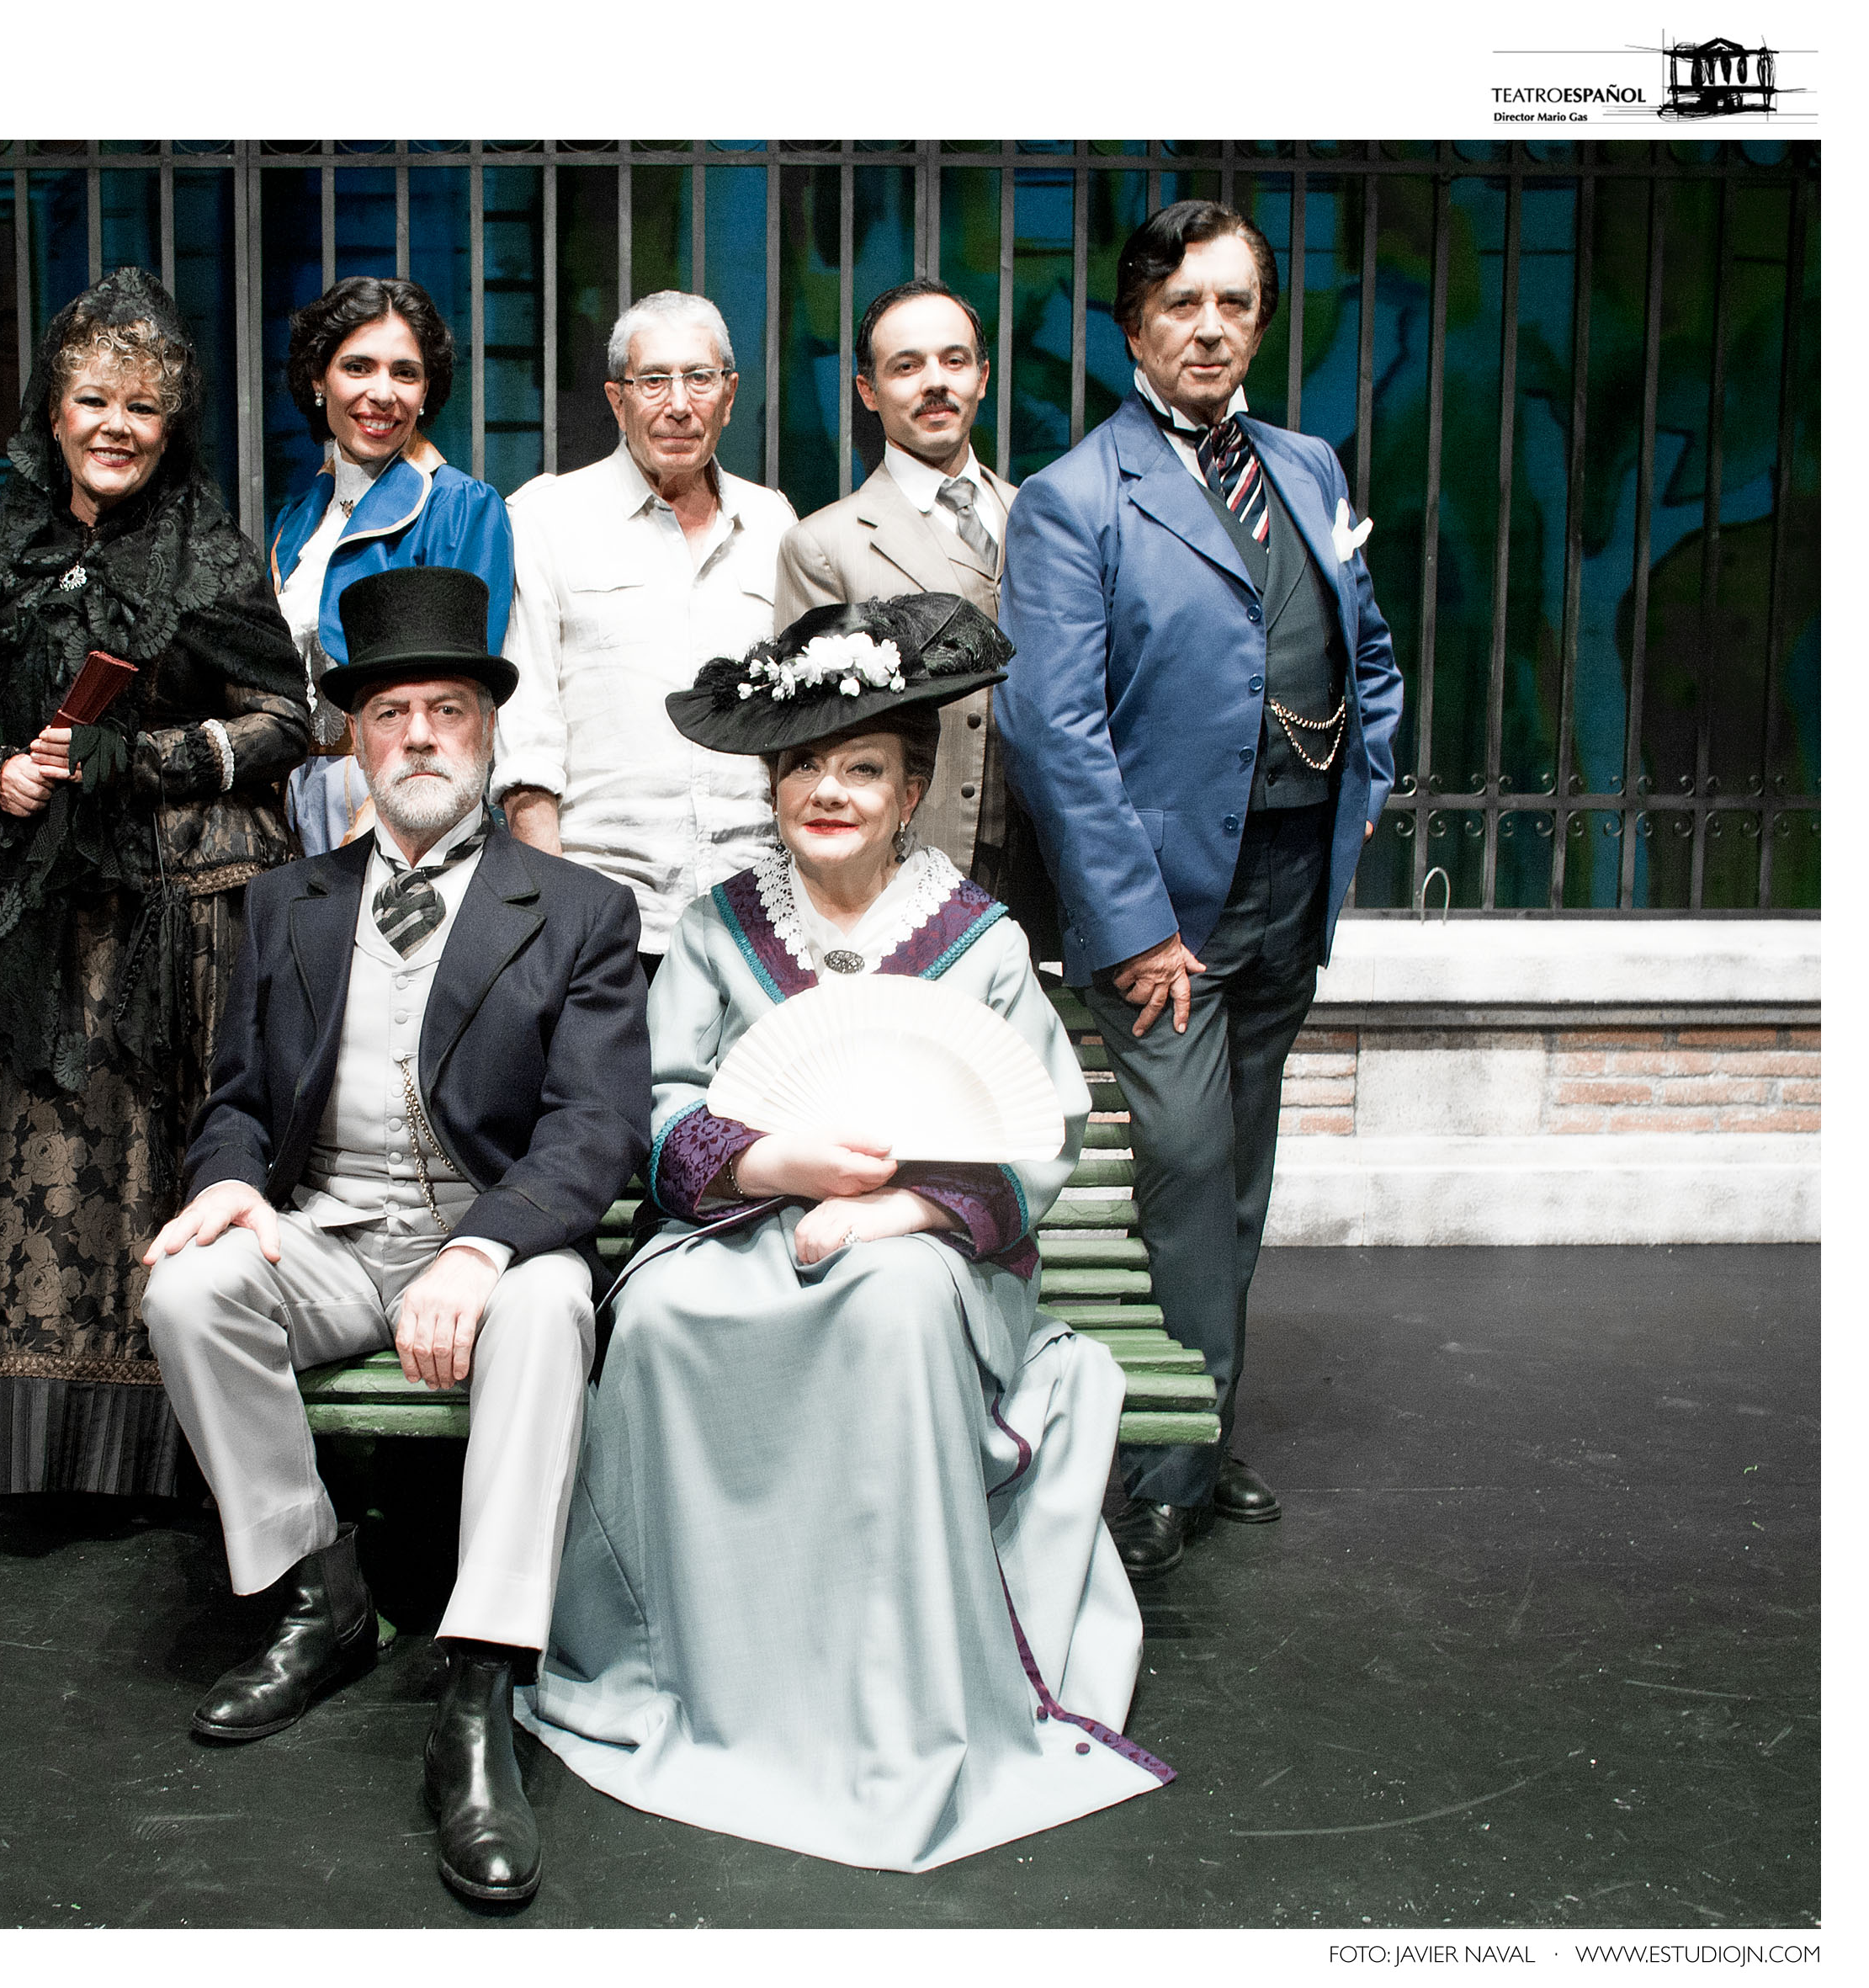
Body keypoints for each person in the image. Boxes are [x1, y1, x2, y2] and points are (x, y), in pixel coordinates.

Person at [520, 595, 1170, 1873]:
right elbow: (660, 1101)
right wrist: (776, 1161)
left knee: (891, 1308)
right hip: (748, 1218)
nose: (828, 790)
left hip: (926, 1243)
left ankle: (882, 1685)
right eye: (803, 764)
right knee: (658, 1316)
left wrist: (894, 1207)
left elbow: (1038, 1134)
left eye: (861, 767)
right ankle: (707, 1660)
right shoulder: (716, 927)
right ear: (772, 784)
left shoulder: (980, 942)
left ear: (909, 789)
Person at [140, 566, 650, 1907]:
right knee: (186, 1288)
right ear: (355, 740)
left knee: (549, 1305)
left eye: (446, 709)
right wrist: (226, 1181)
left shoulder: (579, 910)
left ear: (487, 729)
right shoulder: (288, 902)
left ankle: (480, 1686)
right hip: (334, 1234)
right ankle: (321, 1595)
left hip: (492, 1243)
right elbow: (238, 1100)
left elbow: (597, 1128)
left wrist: (483, 1247)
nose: (419, 735)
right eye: (389, 714)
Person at [994, 199, 1404, 1579]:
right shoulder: (1074, 498)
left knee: (1241, 1166)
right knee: (1181, 1164)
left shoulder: (1305, 463)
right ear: (1134, 326)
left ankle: (1203, 1430)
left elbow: (1368, 648)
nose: (1210, 328)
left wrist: (1366, 786)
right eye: (1182, 304)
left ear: (1259, 321)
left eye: (1234, 302)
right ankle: (1162, 1461)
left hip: (1289, 878)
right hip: (1164, 912)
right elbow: (1052, 732)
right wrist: (1134, 924)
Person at [0, 268, 309, 1497]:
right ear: (54, 409)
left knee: (142, 1169)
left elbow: (286, 721)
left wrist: (142, 759)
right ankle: (28, 1449)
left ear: (172, 423)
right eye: (94, 400)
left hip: (165, 918)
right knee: (31, 1169)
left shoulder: (209, 557)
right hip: (31, 916)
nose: (116, 425)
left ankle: (162, 1457)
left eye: (143, 405)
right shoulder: (2, 552)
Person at [495, 290, 796, 965]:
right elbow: (527, 734)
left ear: (729, 394)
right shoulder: (548, 519)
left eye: (699, 378)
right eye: (653, 380)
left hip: (757, 906)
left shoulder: (774, 523)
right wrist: (549, 917)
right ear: (616, 399)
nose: (678, 404)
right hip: (601, 911)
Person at [773, 278, 1031, 906]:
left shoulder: (1041, 517)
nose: (935, 383)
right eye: (907, 366)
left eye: (954, 361)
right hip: (903, 861)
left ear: (983, 376)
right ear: (868, 390)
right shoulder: (823, 544)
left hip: (1043, 861)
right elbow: (811, 736)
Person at [268, 276, 513, 856]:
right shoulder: (294, 523)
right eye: (358, 367)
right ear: (318, 379)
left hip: (403, 796)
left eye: (405, 373)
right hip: (291, 800)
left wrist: (382, 822)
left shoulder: (462, 507)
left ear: (426, 391)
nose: (382, 393)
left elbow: (464, 694)